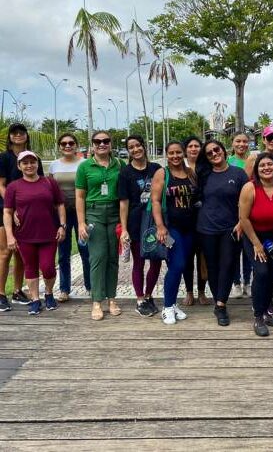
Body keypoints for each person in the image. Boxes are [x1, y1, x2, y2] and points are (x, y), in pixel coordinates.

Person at [239, 153, 273, 336]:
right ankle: (258, 316)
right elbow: (244, 219)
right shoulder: (249, 188)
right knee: (261, 272)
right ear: (256, 170)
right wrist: (256, 244)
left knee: (272, 274)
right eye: (262, 165)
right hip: (253, 236)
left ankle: (266, 310)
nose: (266, 168)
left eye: (270, 164)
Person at [4, 151, 66, 315]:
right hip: (24, 235)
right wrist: (10, 235)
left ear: (37, 164)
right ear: (19, 166)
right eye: (25, 163)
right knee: (29, 267)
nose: (29, 165)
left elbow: (60, 205)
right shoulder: (13, 187)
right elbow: (8, 212)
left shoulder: (49, 182)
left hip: (48, 234)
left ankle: (49, 293)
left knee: (48, 268)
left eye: (32, 162)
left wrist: (62, 225)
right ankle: (35, 299)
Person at [196, 140, 247, 326]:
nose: (214, 154)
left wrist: (242, 222)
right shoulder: (203, 175)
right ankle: (219, 300)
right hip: (206, 228)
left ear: (224, 151)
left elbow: (247, 200)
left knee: (228, 265)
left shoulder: (238, 174)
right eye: (209, 153)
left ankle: (220, 304)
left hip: (230, 229)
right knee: (212, 267)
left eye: (216, 150)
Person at [76, 130, 125, 321]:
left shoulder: (119, 164)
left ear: (111, 143)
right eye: (98, 141)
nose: (102, 144)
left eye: (105, 141)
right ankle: (97, 301)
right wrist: (81, 223)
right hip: (94, 213)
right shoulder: (85, 167)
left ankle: (112, 298)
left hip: (114, 213)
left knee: (113, 257)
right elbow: (80, 196)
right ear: (92, 144)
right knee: (97, 257)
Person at [245, 125, 273, 315]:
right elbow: (246, 186)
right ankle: (259, 310)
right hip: (254, 219)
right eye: (269, 137)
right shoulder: (254, 158)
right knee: (261, 271)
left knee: (272, 271)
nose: (272, 140)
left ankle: (267, 302)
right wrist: (242, 221)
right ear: (263, 139)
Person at [152, 141, 198, 325]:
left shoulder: (190, 173)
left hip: (190, 227)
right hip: (172, 229)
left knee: (183, 264)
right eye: (171, 153)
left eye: (178, 152)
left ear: (184, 153)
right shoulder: (162, 173)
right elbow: (155, 201)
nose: (175, 156)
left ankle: (173, 303)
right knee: (176, 264)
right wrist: (160, 226)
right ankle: (167, 307)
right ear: (166, 154)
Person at [0, 123, 44, 312]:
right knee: (5, 252)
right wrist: (13, 207)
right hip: (6, 209)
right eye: (14, 133)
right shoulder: (4, 158)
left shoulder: (33, 158)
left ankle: (17, 290)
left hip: (28, 213)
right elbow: (1, 185)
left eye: (21, 133)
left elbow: (40, 183)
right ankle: (1, 293)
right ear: (10, 137)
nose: (18, 135)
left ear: (26, 136)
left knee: (21, 254)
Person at [119, 135, 162, 317]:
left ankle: (149, 294)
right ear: (128, 151)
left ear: (144, 146)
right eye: (131, 147)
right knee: (139, 262)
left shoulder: (157, 169)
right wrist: (124, 228)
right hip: (136, 222)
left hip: (155, 221)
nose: (135, 149)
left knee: (156, 261)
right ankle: (139, 299)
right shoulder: (125, 173)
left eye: (138, 145)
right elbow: (124, 202)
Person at [49, 132, 90, 301]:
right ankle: (64, 289)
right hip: (61, 215)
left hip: (82, 213)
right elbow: (50, 189)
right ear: (59, 146)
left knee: (86, 250)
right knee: (64, 253)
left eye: (71, 143)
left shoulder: (85, 163)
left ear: (76, 145)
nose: (67, 146)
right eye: (64, 143)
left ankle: (91, 286)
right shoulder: (54, 165)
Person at [182, 135, 209, 306]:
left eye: (197, 146)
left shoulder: (206, 167)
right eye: (190, 146)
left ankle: (201, 291)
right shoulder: (180, 167)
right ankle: (189, 292)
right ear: (186, 149)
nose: (193, 149)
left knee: (203, 257)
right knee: (187, 258)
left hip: (204, 217)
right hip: (185, 218)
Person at [228, 131, 252, 298]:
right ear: (232, 143)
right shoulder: (228, 161)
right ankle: (236, 282)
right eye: (238, 141)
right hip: (231, 211)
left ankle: (248, 282)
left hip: (250, 211)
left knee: (248, 250)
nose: (242, 144)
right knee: (234, 250)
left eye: (244, 141)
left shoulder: (253, 161)